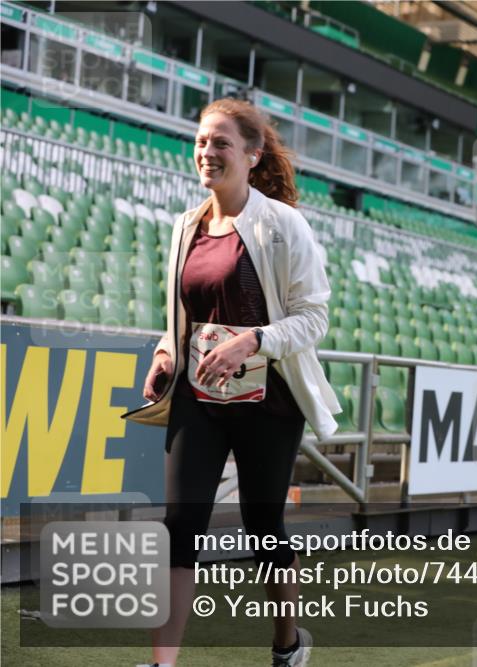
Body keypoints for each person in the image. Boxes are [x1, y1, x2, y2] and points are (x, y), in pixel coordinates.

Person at [125, 98, 341, 667]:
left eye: (221, 142)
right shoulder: (185, 226)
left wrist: (252, 341)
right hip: (198, 399)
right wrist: (166, 352)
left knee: (263, 527)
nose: (207, 152)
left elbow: (314, 319)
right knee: (179, 527)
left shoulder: (284, 224)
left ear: (252, 154)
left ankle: (288, 645)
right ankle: (162, 664)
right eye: (201, 141)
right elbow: (182, 315)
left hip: (269, 403)